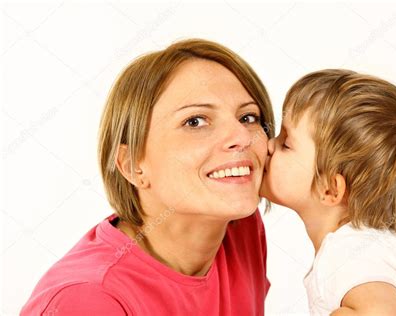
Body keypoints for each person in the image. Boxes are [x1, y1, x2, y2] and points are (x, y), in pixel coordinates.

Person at [21, 39, 274, 315]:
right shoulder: (88, 300)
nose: (241, 137)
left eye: (248, 118)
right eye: (195, 121)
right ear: (132, 165)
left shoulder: (240, 227)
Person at [261, 69, 396, 315]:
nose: (269, 145)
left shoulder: (348, 252)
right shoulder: (366, 247)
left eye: (286, 144)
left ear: (330, 188)